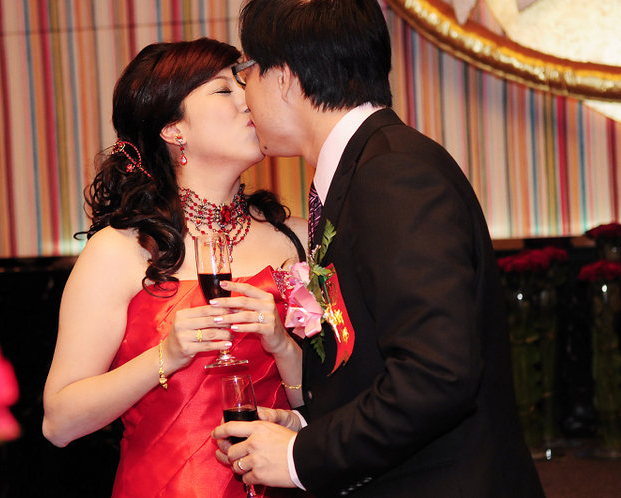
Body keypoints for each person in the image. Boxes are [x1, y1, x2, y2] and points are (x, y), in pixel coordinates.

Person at [212, 1, 546, 497]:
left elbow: (436, 374)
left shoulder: (392, 176)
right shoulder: (365, 168)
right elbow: (372, 358)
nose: (245, 93)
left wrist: (300, 457)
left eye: (248, 71)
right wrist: (305, 426)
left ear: (284, 77)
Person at [42, 38, 308, 497]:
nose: (249, 98)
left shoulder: (297, 239)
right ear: (173, 129)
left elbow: (335, 402)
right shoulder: (119, 251)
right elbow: (59, 423)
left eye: (245, 83)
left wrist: (284, 347)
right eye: (224, 90)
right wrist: (167, 355)